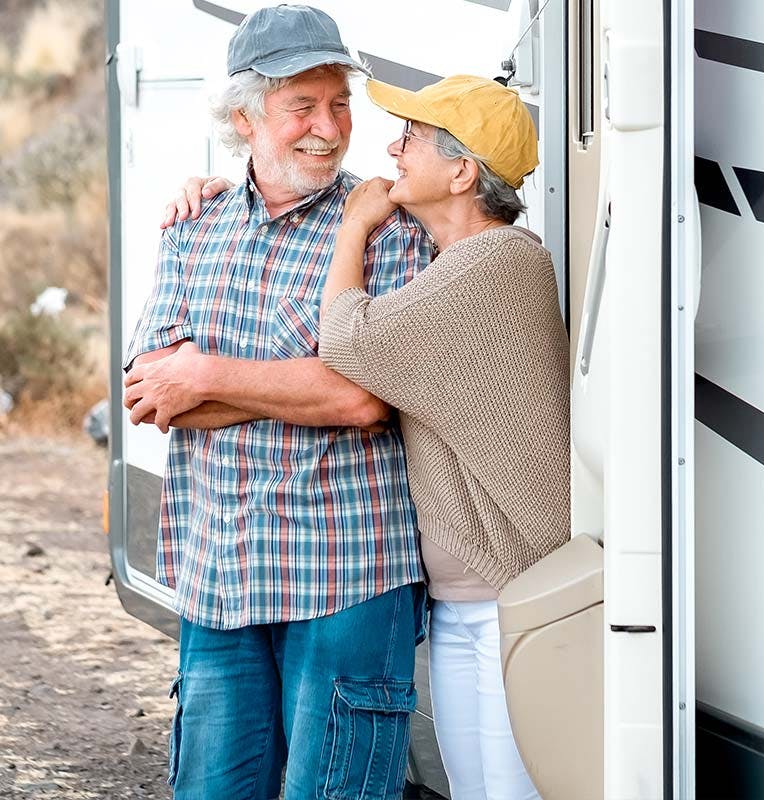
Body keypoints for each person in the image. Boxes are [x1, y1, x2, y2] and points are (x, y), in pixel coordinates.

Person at [170, 74, 571, 800]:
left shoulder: (497, 264)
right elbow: (170, 392)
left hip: (511, 594)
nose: (391, 149)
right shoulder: (448, 262)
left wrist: (352, 225)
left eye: (412, 138)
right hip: (464, 599)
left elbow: (349, 358)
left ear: (461, 171)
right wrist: (223, 192)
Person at [122, 7, 431, 800]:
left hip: (348, 576)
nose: (328, 128)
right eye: (303, 106)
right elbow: (151, 394)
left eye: (339, 104)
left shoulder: (386, 228)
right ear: (245, 119)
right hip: (219, 574)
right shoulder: (193, 228)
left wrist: (204, 374)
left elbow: (363, 397)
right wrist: (290, 386)